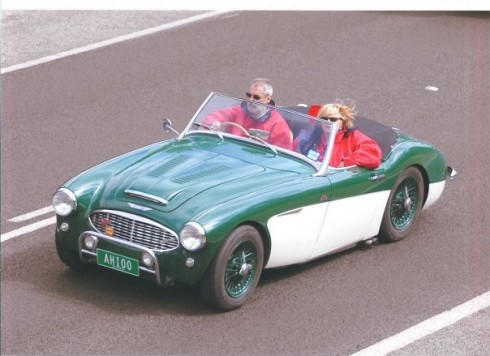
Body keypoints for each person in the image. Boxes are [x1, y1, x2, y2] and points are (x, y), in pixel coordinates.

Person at [204, 78, 293, 150]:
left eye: (256, 97)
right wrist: (213, 124)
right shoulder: (239, 111)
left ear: (268, 99)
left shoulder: (278, 125)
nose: (251, 100)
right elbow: (216, 115)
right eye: (249, 95)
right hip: (231, 152)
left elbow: (281, 156)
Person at [294, 100, 382, 169]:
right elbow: (292, 150)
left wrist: (346, 162)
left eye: (333, 119)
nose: (328, 122)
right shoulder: (311, 134)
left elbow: (373, 154)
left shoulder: (353, 137)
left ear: (342, 122)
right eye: (324, 118)